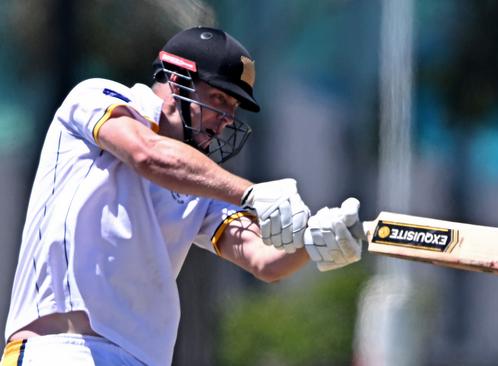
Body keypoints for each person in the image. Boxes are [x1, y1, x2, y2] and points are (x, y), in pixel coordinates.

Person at [1, 27, 362, 366]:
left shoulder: (200, 184)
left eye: (233, 108)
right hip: (64, 350)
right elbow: (146, 154)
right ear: (176, 80)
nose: (225, 119)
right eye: (219, 98)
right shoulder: (96, 97)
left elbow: (264, 261)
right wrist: (249, 192)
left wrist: (314, 243)